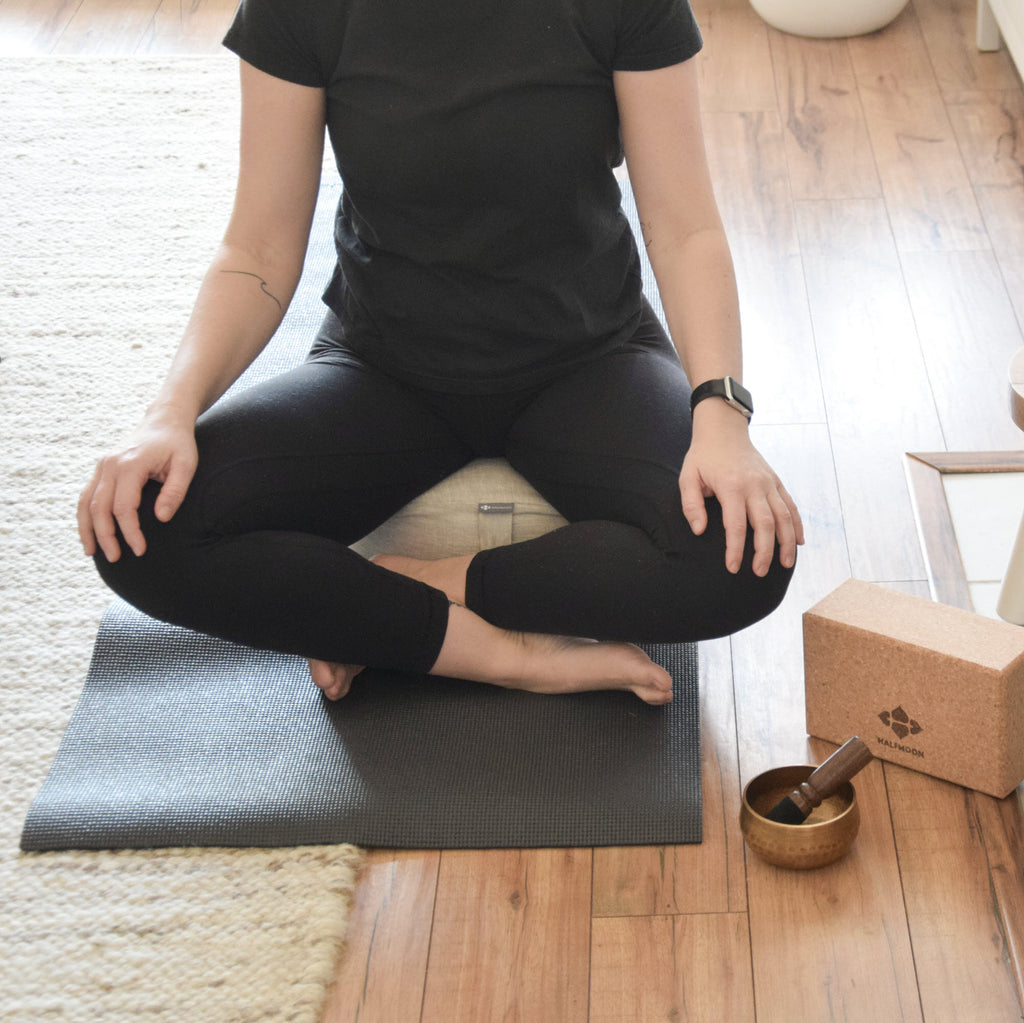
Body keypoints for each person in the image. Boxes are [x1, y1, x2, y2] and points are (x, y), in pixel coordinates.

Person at [77, 0, 803, 707]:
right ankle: (501, 655)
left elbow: (686, 230)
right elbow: (257, 249)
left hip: (587, 355)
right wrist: (169, 412)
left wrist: (721, 412)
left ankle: (431, 587)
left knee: (743, 557)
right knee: (141, 528)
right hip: (384, 368)